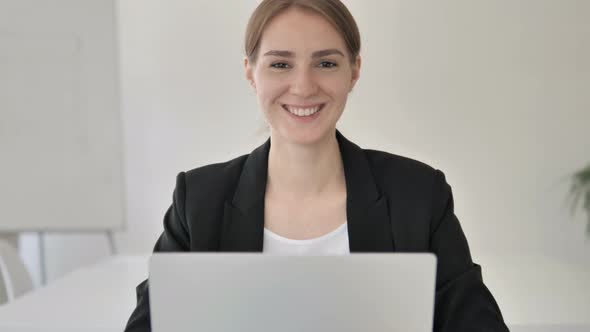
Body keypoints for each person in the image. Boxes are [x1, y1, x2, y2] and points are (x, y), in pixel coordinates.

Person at [124, 0, 509, 331]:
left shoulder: (418, 196)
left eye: (326, 63)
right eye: (280, 65)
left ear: (354, 71)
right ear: (250, 73)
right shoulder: (198, 202)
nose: (304, 86)